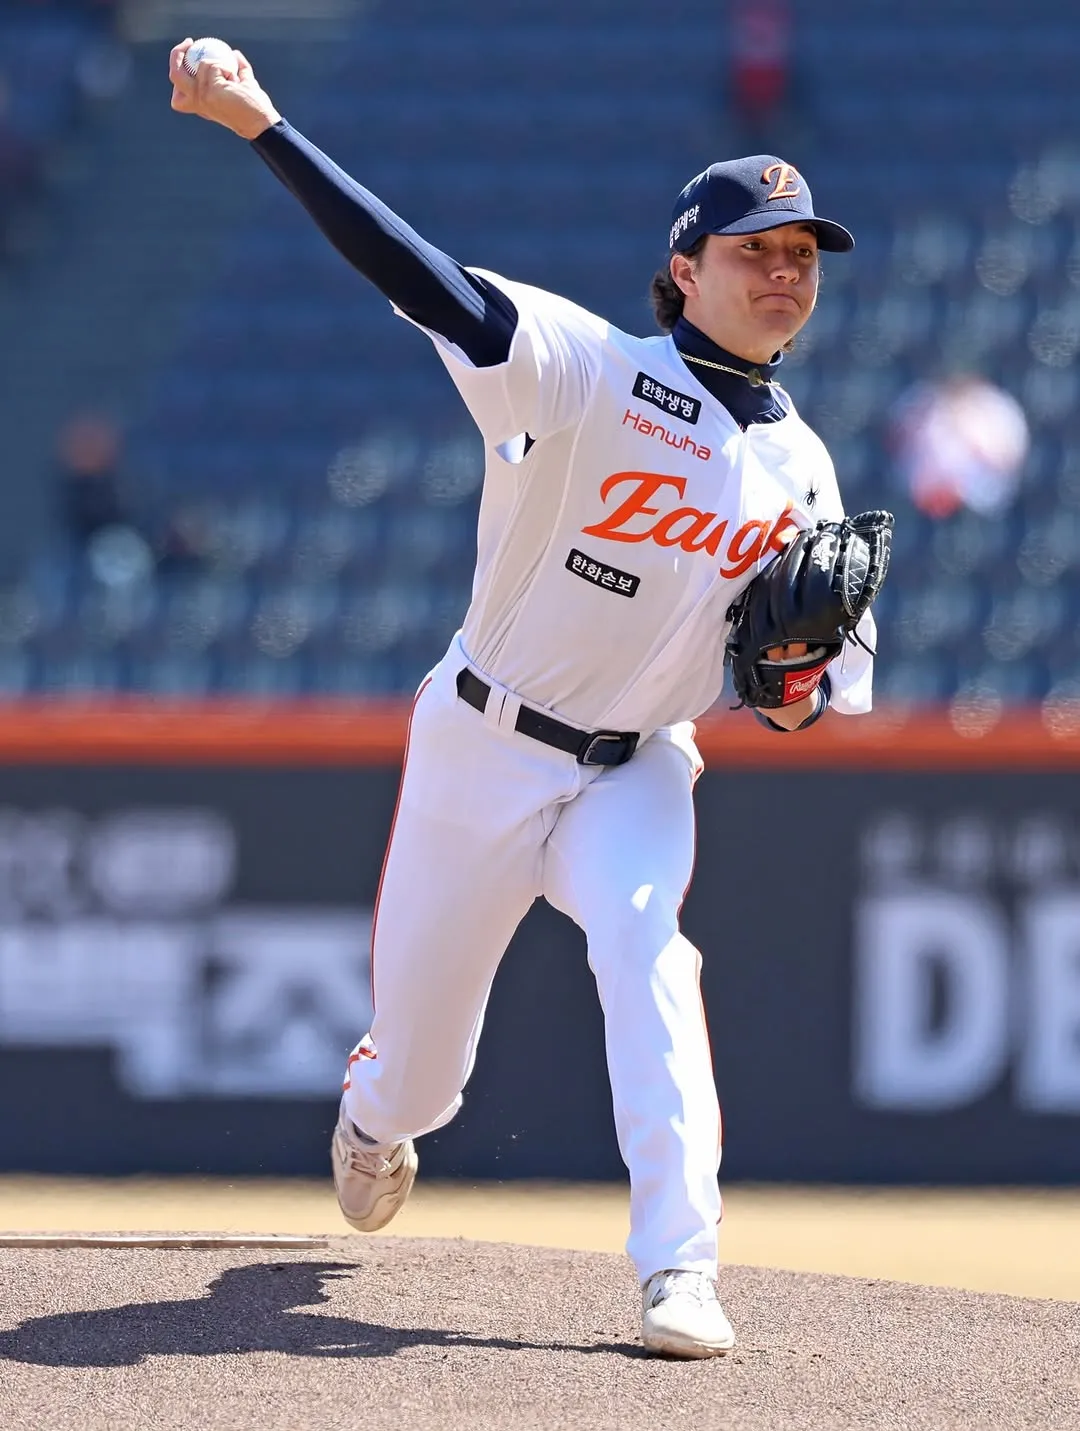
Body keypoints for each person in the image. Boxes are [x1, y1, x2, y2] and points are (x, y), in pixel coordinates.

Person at [169, 39, 875, 1360]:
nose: (785, 271)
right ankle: (375, 1115)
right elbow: (421, 279)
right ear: (685, 268)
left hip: (637, 766)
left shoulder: (807, 470)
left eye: (803, 255)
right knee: (423, 1074)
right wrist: (262, 125)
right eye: (754, 249)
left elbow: (810, 695)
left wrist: (792, 691)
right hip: (480, 741)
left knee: (650, 948)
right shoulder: (588, 367)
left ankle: (680, 1266)